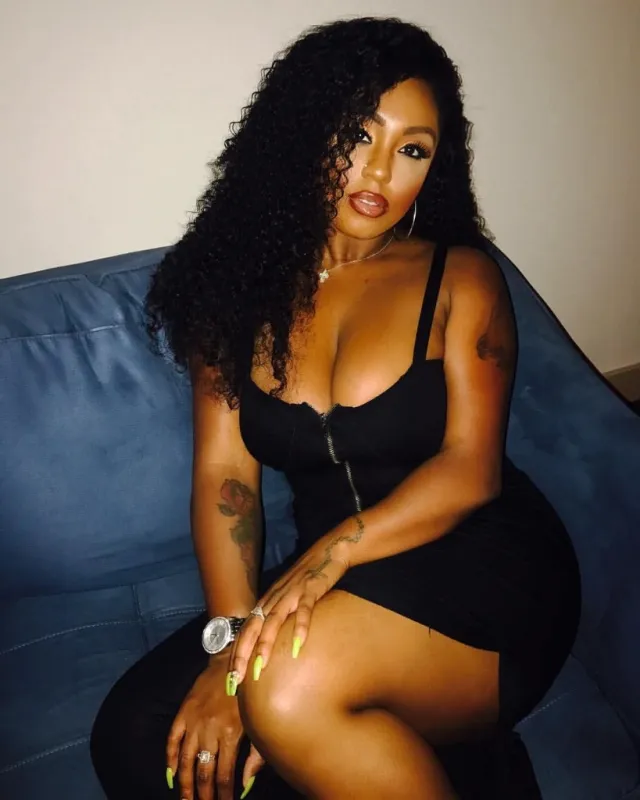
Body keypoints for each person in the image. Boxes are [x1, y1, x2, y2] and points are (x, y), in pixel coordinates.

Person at [90, 16, 581, 800]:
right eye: (358, 134)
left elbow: (471, 469)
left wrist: (333, 554)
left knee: (282, 691)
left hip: (479, 562)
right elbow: (226, 480)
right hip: (334, 580)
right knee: (142, 739)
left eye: (414, 149)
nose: (381, 169)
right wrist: (229, 646)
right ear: (302, 133)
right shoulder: (231, 295)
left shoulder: (460, 278)